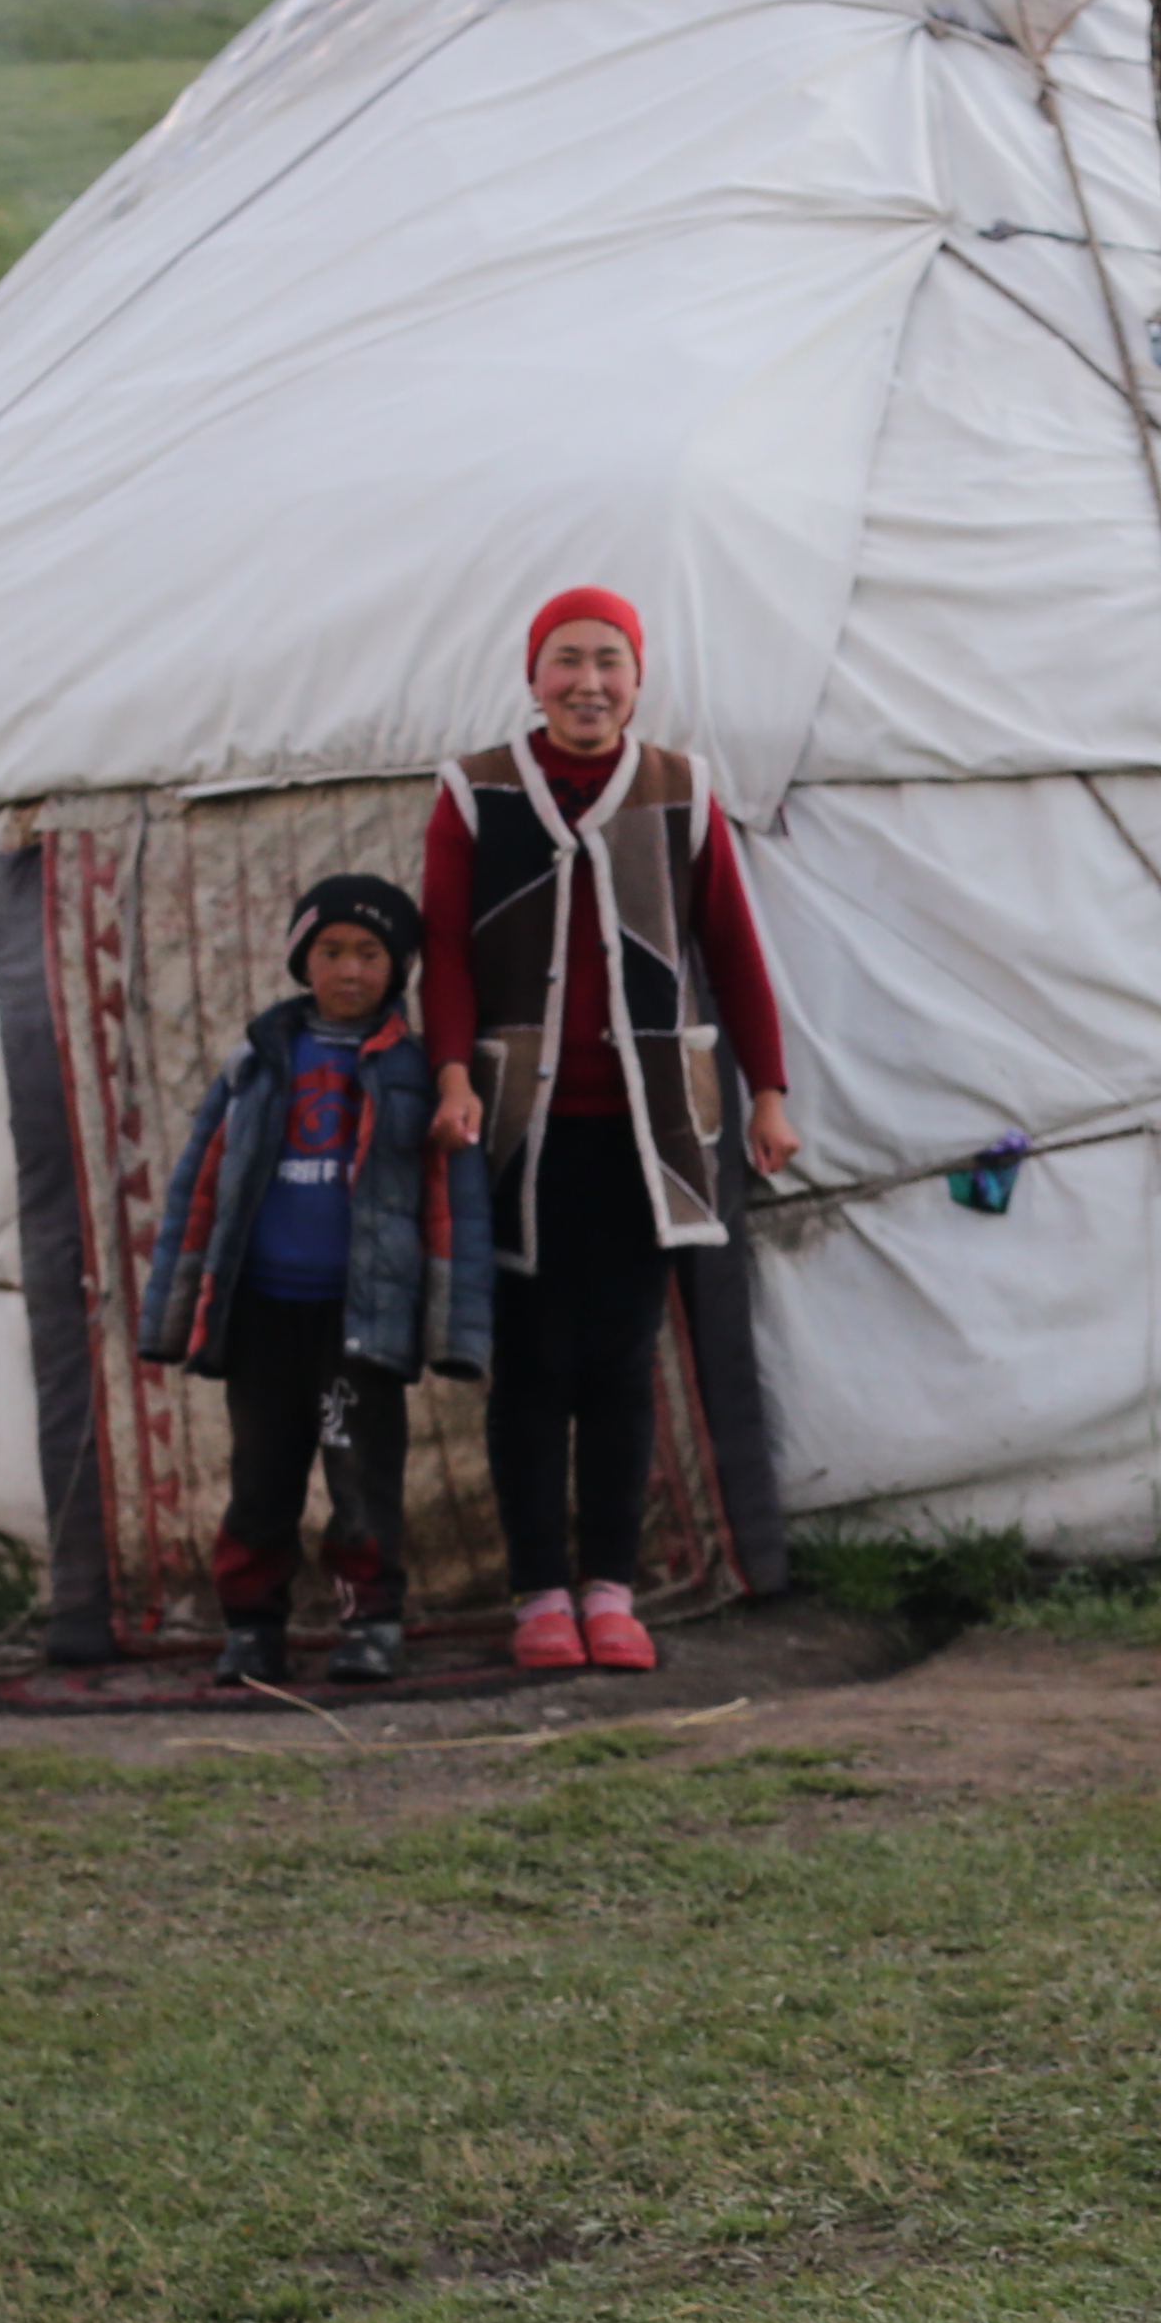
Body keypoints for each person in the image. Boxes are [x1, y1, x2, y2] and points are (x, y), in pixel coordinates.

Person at [421, 585, 801, 1674]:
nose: (589, 683)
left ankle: (611, 1591)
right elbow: (444, 944)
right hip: (516, 1127)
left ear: (639, 677)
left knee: (624, 1362)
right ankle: (540, 1593)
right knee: (533, 1362)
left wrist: (768, 1090)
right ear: (533, 674)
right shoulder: (476, 790)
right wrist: (449, 1070)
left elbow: (731, 947)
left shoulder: (681, 790)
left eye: (610, 662)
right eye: (566, 660)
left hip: (651, 1130)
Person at [135, 871, 483, 1689]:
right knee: (261, 1478)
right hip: (262, 1313)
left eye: (369, 953)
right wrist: (172, 1311)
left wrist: (455, 1331)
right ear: (302, 960)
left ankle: (373, 1625)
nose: (350, 970)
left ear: (397, 968)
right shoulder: (255, 1061)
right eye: (330, 951)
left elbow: (451, 1202)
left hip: (360, 1316)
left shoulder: (420, 1072)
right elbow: (201, 1185)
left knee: (362, 1479)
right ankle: (253, 1628)